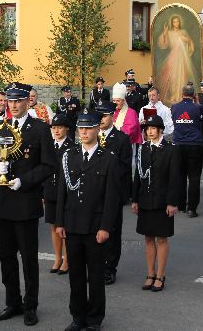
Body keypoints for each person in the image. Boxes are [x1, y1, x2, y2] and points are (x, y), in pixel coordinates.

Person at [0, 82, 56, 327]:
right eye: (9, 101)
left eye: (17, 101)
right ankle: (12, 301)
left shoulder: (39, 130)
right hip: (2, 202)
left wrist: (23, 181)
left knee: (28, 259)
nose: (13, 105)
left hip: (25, 202)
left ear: (28, 101)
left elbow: (49, 165)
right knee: (6, 257)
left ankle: (30, 305)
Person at [55, 110, 119, 331]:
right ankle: (77, 316)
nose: (83, 132)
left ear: (96, 129)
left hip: (95, 227)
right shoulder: (69, 156)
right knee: (76, 275)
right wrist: (60, 222)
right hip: (72, 225)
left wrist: (105, 227)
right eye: (80, 128)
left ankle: (94, 319)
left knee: (95, 275)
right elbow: (62, 192)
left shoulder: (108, 158)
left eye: (88, 128)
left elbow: (112, 198)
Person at [131, 115, 180, 293]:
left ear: (160, 130)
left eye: (153, 128)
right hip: (145, 199)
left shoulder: (171, 150)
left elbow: (175, 178)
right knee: (148, 238)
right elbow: (138, 175)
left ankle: (160, 275)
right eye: (147, 129)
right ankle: (150, 273)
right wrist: (135, 198)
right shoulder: (143, 148)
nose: (149, 132)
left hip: (162, 200)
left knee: (162, 238)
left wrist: (172, 203)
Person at [94, 101, 132, 286]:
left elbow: (125, 167)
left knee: (112, 231)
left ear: (112, 116)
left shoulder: (121, 139)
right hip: (93, 193)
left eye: (105, 115)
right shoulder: (92, 136)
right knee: (93, 229)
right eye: (99, 116)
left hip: (112, 192)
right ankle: (95, 265)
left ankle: (110, 267)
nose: (101, 119)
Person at [171, 84, 203, 217]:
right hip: (195, 144)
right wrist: (197, 103)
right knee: (194, 177)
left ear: (182, 94)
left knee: (180, 176)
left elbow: (173, 120)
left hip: (179, 144)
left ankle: (180, 205)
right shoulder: (198, 107)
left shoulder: (174, 107)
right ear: (194, 95)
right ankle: (192, 208)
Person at [45, 113, 73, 274]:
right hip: (50, 189)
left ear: (66, 129)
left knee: (65, 226)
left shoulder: (71, 147)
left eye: (59, 127)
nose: (56, 131)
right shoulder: (49, 145)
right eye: (54, 128)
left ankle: (67, 258)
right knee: (54, 225)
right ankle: (57, 257)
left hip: (66, 192)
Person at [156, 16, 199, 104]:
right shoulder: (169, 33)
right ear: (172, 23)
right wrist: (164, 33)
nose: (176, 23)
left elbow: (190, 43)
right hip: (173, 56)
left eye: (177, 22)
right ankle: (173, 96)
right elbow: (163, 45)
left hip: (182, 58)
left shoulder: (183, 32)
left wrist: (186, 40)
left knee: (182, 76)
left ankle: (181, 96)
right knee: (173, 77)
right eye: (174, 22)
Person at [112, 82, 142, 146]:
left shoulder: (131, 113)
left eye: (118, 101)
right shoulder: (110, 112)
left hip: (126, 145)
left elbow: (131, 130)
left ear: (123, 101)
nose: (115, 103)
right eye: (114, 101)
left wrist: (115, 129)